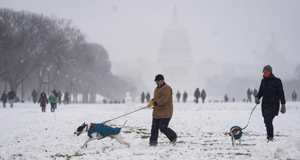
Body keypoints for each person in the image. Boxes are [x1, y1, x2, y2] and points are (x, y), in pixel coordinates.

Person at [255, 65, 286, 142]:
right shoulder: (263, 81)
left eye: (266, 72)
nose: (265, 73)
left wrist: (283, 104)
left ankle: (270, 137)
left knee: (269, 120)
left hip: (273, 104)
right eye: (264, 72)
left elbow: (281, 93)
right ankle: (269, 135)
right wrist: (257, 97)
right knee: (266, 121)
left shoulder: (277, 81)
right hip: (265, 105)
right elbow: (261, 91)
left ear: (270, 72)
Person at [147, 74, 177, 146]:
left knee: (163, 128)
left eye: (157, 81)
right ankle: (153, 143)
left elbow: (164, 99)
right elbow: (156, 98)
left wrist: (156, 102)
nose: (156, 83)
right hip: (157, 112)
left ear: (161, 81)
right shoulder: (156, 89)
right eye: (156, 82)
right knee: (154, 128)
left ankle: (173, 136)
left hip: (165, 112)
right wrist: (152, 101)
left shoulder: (167, 88)